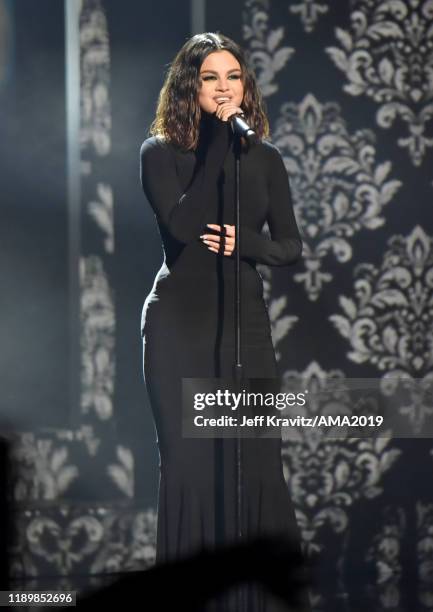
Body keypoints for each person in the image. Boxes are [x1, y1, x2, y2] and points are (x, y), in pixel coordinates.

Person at [139, 32, 309, 611]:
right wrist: (215, 141)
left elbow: (289, 247)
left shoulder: (265, 159)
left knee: (256, 462)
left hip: (244, 326)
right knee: (190, 466)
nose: (223, 87)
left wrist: (245, 245)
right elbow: (184, 229)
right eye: (210, 78)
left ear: (245, 84)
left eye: (232, 76)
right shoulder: (160, 152)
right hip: (178, 328)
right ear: (191, 87)